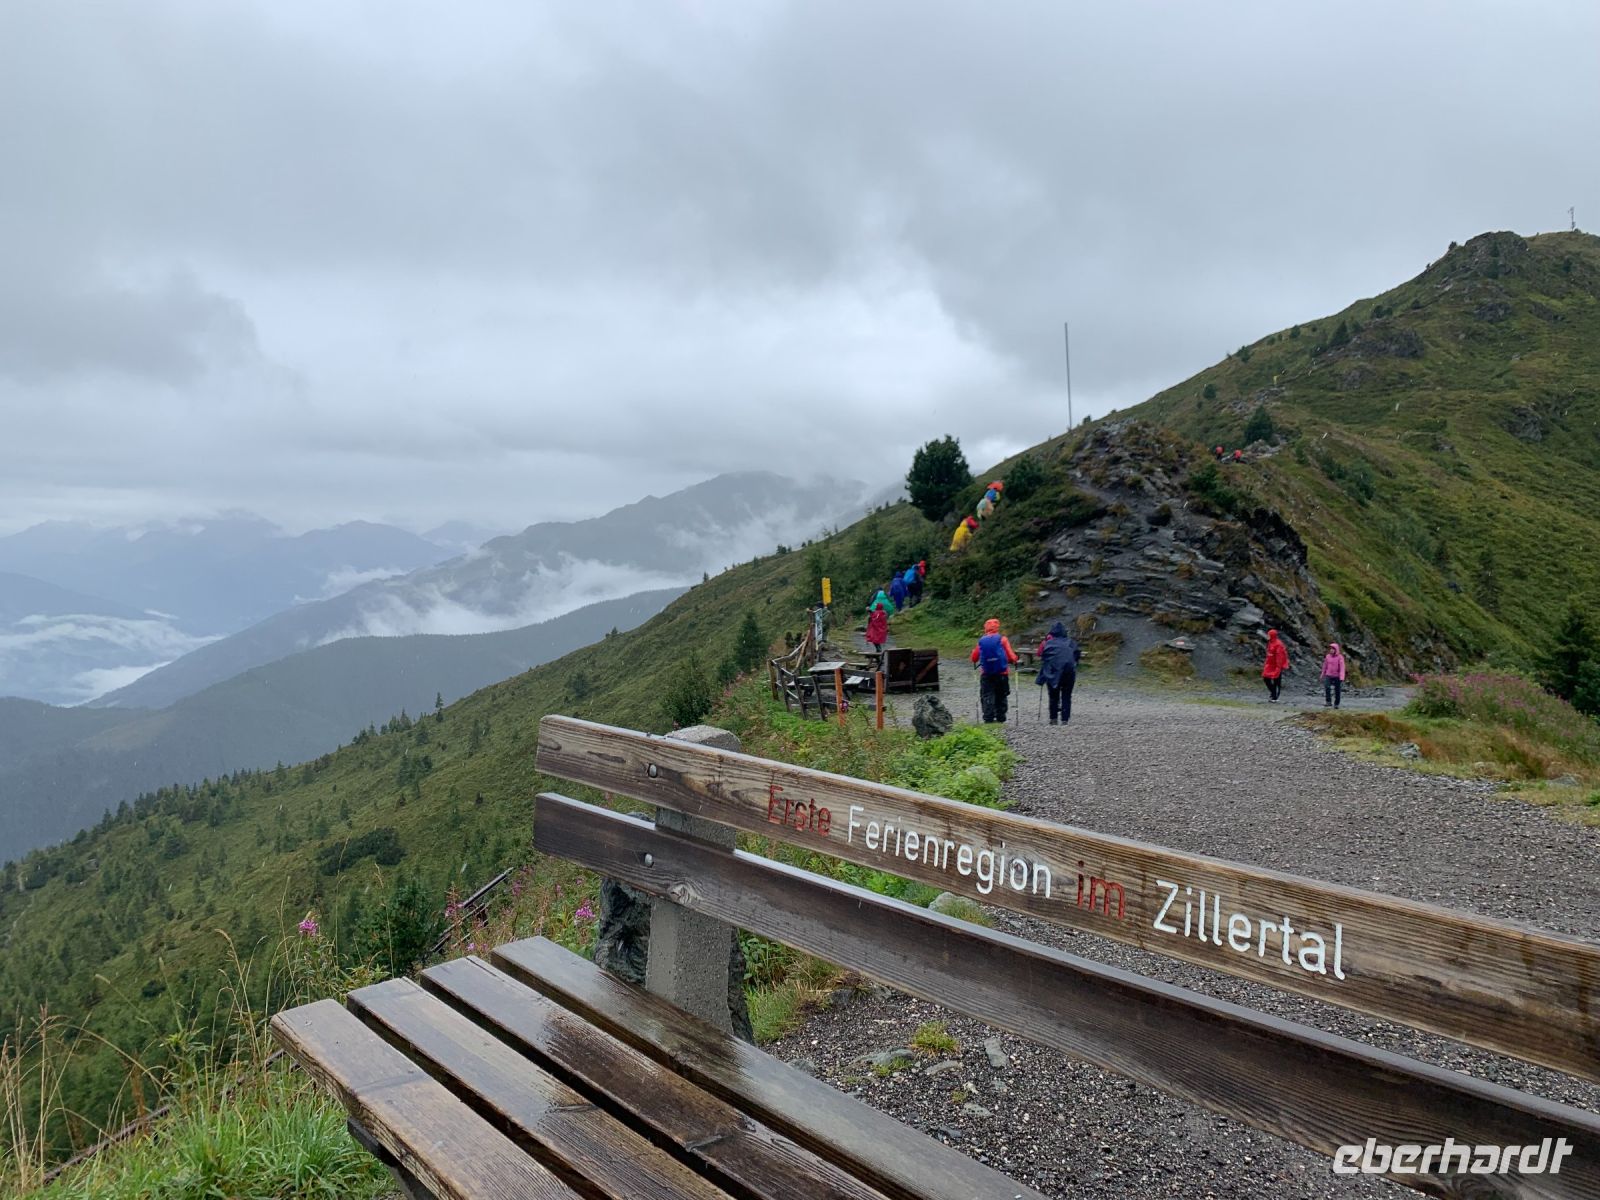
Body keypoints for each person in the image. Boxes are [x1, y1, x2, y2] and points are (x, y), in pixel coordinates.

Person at [970, 618, 1019, 723]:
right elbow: (1011, 657)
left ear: (985, 628)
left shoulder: (982, 641)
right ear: (997, 627)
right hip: (1002, 673)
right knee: (1001, 694)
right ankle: (1001, 717)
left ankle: (988, 718)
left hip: (986, 673)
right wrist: (1014, 660)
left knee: (987, 694)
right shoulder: (1002, 639)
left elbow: (974, 658)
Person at [1035, 620, 1081, 726]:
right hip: (1068, 672)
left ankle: (1053, 718)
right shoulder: (1071, 642)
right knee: (1066, 695)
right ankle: (1065, 719)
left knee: (1053, 695)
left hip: (1052, 672)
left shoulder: (1046, 643)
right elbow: (1077, 655)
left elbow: (1040, 654)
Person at [1262, 629, 1290, 702]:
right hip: (1270, 664)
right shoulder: (1270, 643)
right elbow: (1269, 654)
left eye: (1268, 635)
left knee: (1276, 680)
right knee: (1266, 678)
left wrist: (1278, 667)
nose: (1267, 636)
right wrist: (1266, 663)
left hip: (1277, 665)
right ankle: (1273, 692)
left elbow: (1279, 657)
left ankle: (1275, 696)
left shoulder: (1278, 644)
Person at [1321, 642, 1346, 708]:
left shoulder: (1340, 657)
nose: (1331, 650)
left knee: (1337, 690)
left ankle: (1336, 703)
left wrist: (1342, 677)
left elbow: (1342, 667)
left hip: (1337, 676)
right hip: (1328, 675)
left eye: (1333, 649)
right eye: (1330, 649)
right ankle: (1328, 701)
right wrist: (1322, 674)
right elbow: (1325, 666)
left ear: (1336, 650)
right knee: (1327, 687)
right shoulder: (1327, 656)